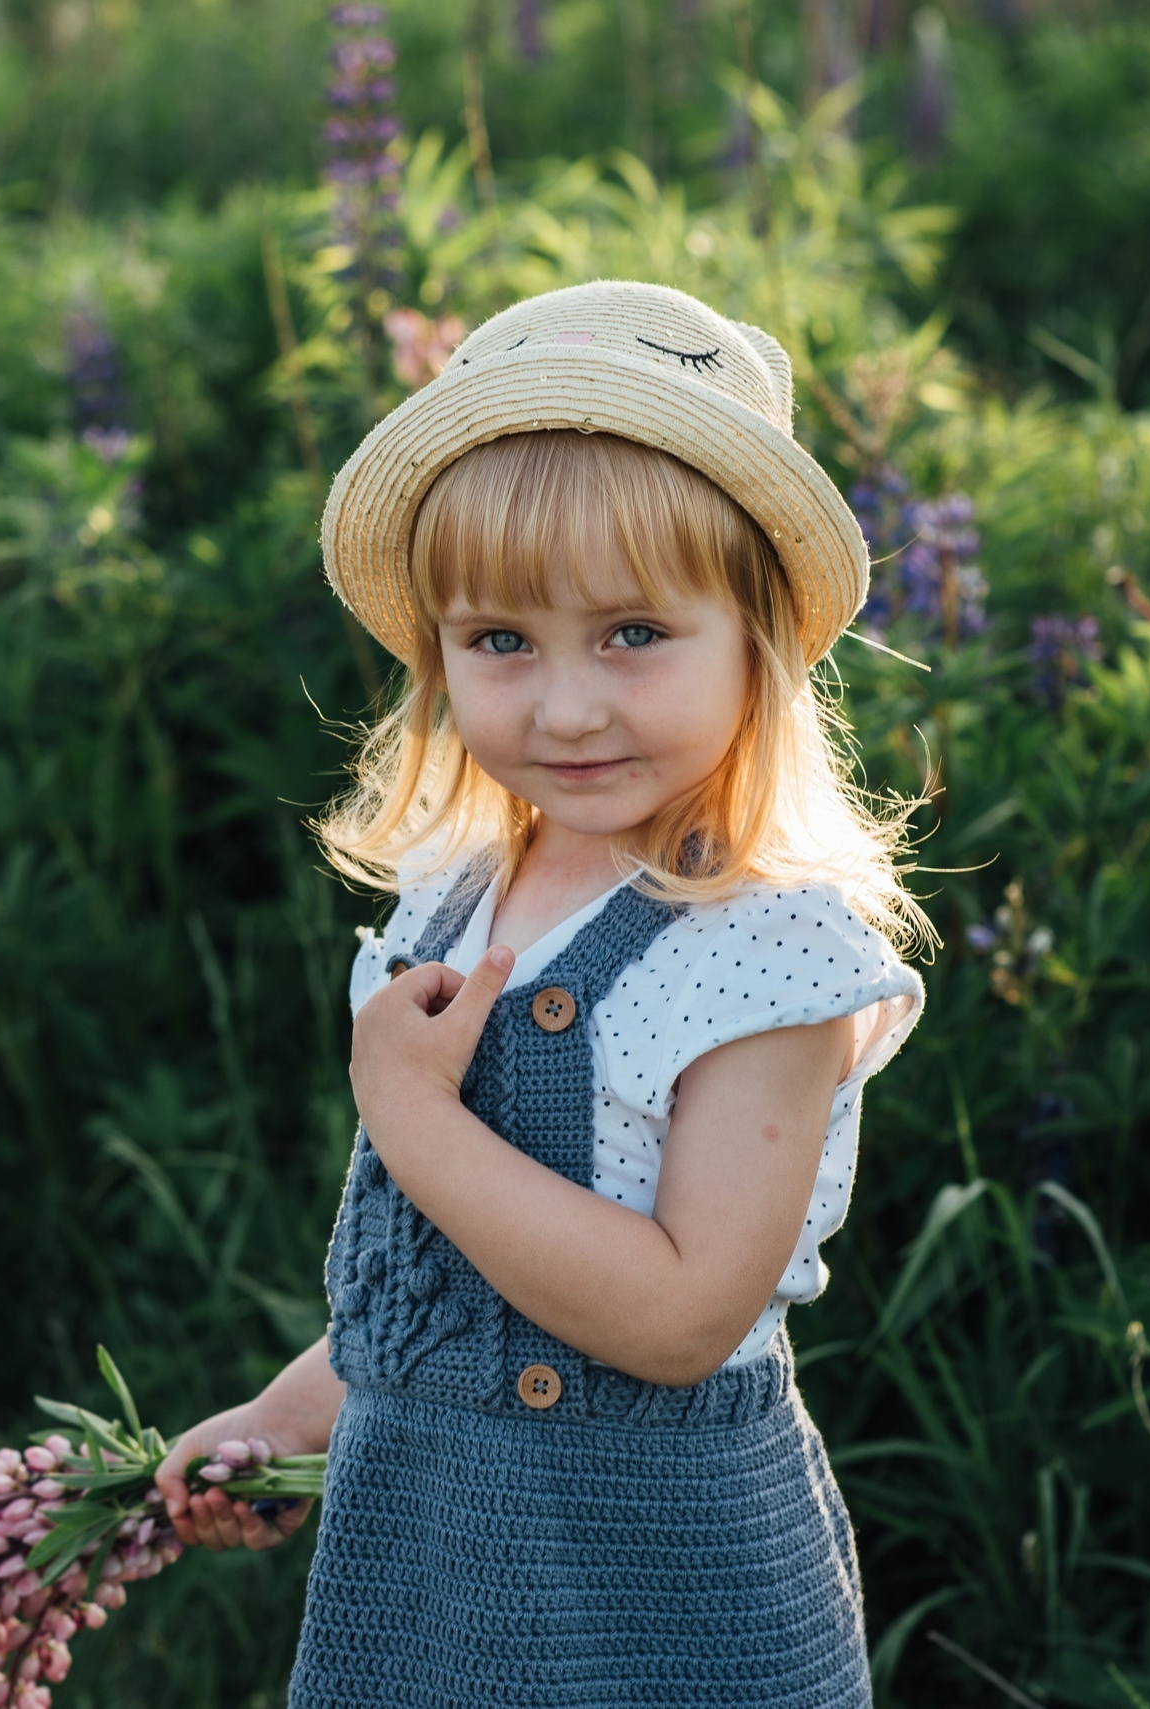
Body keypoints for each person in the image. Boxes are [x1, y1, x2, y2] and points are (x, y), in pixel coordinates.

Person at [152, 279, 928, 1707]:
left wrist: (411, 1113)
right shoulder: (452, 896)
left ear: (756, 640)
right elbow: (440, 1294)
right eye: (502, 640)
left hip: (669, 1602)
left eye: (634, 632)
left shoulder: (764, 955)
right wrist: (291, 1419)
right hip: (429, 1581)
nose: (566, 705)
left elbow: (685, 1314)